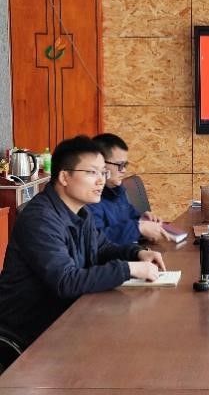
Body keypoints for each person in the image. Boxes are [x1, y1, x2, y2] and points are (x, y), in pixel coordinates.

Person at [0, 136, 166, 347]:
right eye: (91, 172)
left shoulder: (81, 211)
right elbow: (66, 281)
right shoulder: (40, 219)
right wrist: (129, 269)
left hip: (68, 318)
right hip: (31, 333)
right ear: (64, 177)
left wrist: (137, 253)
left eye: (103, 172)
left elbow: (102, 247)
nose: (101, 181)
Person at [88, 133, 170, 245]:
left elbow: (130, 215)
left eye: (125, 165)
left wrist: (142, 219)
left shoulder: (117, 189)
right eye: (120, 165)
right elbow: (95, 241)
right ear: (100, 163)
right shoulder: (89, 198)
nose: (124, 170)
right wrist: (138, 229)